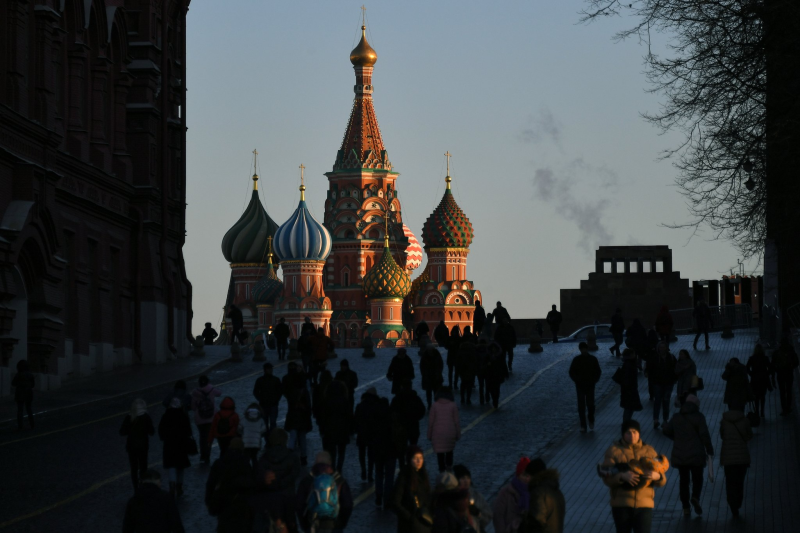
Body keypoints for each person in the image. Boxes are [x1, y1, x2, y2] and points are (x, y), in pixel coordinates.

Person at [599, 419, 667, 533]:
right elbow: (607, 479)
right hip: (621, 505)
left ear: (639, 433)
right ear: (623, 434)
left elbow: (662, 479)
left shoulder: (649, 451)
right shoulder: (613, 451)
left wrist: (658, 477)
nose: (632, 435)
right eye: (628, 432)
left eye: (635, 432)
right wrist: (621, 476)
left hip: (644, 506)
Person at [661, 394, 713, 517]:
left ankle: (685, 507)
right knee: (697, 478)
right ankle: (695, 497)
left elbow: (665, 430)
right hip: (696, 454)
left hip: (681, 454)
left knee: (684, 480)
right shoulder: (699, 417)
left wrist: (676, 438)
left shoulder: (676, 417)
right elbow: (704, 434)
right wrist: (709, 449)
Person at [295, 451, 353, 533]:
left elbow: (299, 505)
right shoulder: (339, 480)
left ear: (315, 462)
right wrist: (341, 523)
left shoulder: (307, 480)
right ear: (330, 462)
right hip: (334, 526)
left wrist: (305, 526)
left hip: (313, 525)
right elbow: (348, 505)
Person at [123, 469, 185, 533]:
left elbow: (127, 527)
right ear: (157, 481)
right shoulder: (166, 498)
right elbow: (176, 524)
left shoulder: (133, 501)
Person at [719, 404, 752, 517]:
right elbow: (749, 436)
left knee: (730, 481)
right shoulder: (745, 421)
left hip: (728, 458)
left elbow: (722, 436)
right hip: (742, 458)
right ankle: (738, 502)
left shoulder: (724, 421)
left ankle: (732, 503)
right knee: (739, 482)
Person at [391, 446, 432, 533]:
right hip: (409, 526)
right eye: (415, 458)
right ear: (409, 460)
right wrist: (409, 517)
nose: (418, 461)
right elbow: (395, 502)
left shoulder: (423, 475)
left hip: (423, 522)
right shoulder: (404, 477)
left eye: (421, 458)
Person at [159, 397, 193, 497]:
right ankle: (179, 486)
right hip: (181, 444)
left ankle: (172, 486)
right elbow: (188, 431)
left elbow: (161, 430)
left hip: (169, 445)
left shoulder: (166, 416)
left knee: (171, 466)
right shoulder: (183, 416)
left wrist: (164, 438)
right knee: (181, 466)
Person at [120, 398, 155, 490]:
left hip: (131, 446)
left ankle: (136, 489)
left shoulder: (129, 417)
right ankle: (143, 487)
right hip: (143, 446)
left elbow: (122, 432)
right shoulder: (146, 417)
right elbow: (152, 431)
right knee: (143, 468)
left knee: (134, 469)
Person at [522, 458, 566, 533]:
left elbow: (537, 522)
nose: (526, 479)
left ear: (535, 476)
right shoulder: (556, 491)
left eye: (528, 476)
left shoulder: (538, 493)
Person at [569, 342, 602, 432]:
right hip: (580, 385)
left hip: (590, 385)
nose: (583, 350)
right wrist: (577, 380)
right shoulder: (577, 360)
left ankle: (590, 419)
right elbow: (571, 372)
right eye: (582, 349)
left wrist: (594, 380)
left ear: (586, 349)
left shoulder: (592, 359)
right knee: (581, 406)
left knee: (590, 405)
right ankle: (583, 425)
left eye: (584, 348)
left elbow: (598, 371)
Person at [320, 379, 352, 473]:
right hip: (342, 429)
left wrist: (322, 429)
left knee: (331, 452)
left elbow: (323, 417)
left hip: (329, 430)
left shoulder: (326, 401)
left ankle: (332, 468)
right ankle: (339, 468)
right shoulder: (345, 401)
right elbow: (348, 416)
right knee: (341, 451)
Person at [493, 457, 532, 533]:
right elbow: (498, 516)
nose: (527, 479)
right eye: (524, 475)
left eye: (529, 475)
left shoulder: (534, 491)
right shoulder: (506, 492)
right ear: (518, 475)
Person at [258, 428, 301, 496]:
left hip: (269, 496)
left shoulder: (264, 458)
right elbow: (295, 474)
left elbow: (260, 475)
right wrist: (283, 482)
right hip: (287, 495)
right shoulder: (292, 457)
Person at [427, 386, 461, 472]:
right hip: (450, 433)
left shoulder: (434, 406)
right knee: (449, 451)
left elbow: (431, 422)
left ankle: (441, 470)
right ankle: (449, 468)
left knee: (440, 453)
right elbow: (456, 422)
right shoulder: (453, 405)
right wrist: (458, 434)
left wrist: (429, 434)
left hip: (438, 433)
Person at [191, 375, 222, 465]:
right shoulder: (212, 390)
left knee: (202, 437)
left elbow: (193, 407)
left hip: (199, 419)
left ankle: (202, 456)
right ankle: (207, 456)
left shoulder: (195, 392)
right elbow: (220, 393)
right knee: (209, 438)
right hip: (210, 418)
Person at [453, 465, 492, 530]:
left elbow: (488, 517)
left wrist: (478, 514)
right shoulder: (454, 498)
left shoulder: (476, 496)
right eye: (463, 478)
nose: (466, 481)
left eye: (468, 478)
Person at [284, 377, 312, 467]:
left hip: (292, 417)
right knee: (302, 438)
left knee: (292, 437)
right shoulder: (305, 392)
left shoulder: (291, 392)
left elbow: (289, 405)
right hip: (303, 418)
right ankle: (303, 458)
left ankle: (290, 456)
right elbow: (308, 405)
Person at [354, 388, 380, 481]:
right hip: (372, 434)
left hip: (362, 433)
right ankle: (369, 474)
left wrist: (356, 430)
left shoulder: (360, 406)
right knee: (371, 455)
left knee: (362, 453)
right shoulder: (376, 406)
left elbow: (355, 420)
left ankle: (363, 471)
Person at [649, 343, 677, 429]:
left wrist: (674, 379)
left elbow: (676, 368)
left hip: (668, 382)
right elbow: (650, 369)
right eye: (660, 347)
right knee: (658, 401)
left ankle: (664, 420)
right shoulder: (655, 358)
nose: (662, 349)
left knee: (665, 401)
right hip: (658, 382)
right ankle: (656, 420)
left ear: (666, 348)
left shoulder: (671, 357)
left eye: (663, 347)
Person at [391, 381, 427, 447]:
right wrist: (416, 417)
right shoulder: (415, 398)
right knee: (413, 446)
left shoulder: (396, 399)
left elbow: (391, 413)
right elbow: (422, 410)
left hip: (401, 427)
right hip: (413, 426)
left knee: (401, 449)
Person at [772, 336, 799, 416]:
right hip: (789, 373)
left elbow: (773, 364)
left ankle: (784, 408)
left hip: (780, 374)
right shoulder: (791, 351)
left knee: (782, 392)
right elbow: (796, 362)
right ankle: (788, 407)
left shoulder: (777, 352)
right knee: (789, 390)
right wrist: (791, 367)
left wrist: (774, 374)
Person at [613, 349, 642, 423]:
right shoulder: (630, 365)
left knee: (629, 407)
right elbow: (628, 378)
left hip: (628, 389)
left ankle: (626, 423)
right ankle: (626, 423)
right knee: (629, 408)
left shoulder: (627, 364)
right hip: (629, 389)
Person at [254, 362, 283, 434]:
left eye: (271, 369)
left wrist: (276, 399)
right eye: (269, 369)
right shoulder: (260, 380)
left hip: (273, 404)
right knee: (265, 424)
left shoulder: (276, 380)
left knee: (273, 423)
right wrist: (261, 399)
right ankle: (268, 440)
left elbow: (280, 391)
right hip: (264, 405)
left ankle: (272, 439)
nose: (270, 370)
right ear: (265, 370)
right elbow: (255, 392)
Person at [745, 344, 772, 418]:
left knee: (756, 396)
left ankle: (756, 411)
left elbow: (747, 368)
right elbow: (770, 368)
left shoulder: (752, 358)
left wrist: (751, 374)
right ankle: (762, 411)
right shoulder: (765, 358)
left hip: (755, 380)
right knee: (762, 395)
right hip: (764, 379)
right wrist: (767, 374)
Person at [240, 402, 267, 467]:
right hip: (256, 443)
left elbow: (239, 429)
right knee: (254, 458)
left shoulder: (243, 419)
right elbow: (264, 430)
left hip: (245, 443)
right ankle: (255, 472)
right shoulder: (260, 420)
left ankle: (247, 472)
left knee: (246, 459)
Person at [484, 342, 509, 408]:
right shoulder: (488, 356)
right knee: (492, 389)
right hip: (490, 375)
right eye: (493, 348)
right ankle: (494, 399)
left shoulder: (500, 356)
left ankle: (496, 400)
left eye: (494, 348)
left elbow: (504, 364)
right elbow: (484, 364)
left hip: (497, 374)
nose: (493, 350)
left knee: (497, 388)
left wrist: (506, 373)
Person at [12, 360, 35, 431]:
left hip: (20, 393)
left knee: (20, 410)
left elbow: (13, 383)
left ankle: (20, 425)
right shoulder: (30, 375)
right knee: (29, 409)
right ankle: (32, 424)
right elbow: (33, 385)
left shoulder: (18, 375)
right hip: (28, 393)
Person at [475, 341, 490, 406]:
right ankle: (487, 397)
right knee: (487, 385)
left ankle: (482, 399)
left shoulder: (476, 351)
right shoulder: (488, 351)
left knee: (481, 385)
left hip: (479, 370)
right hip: (487, 370)